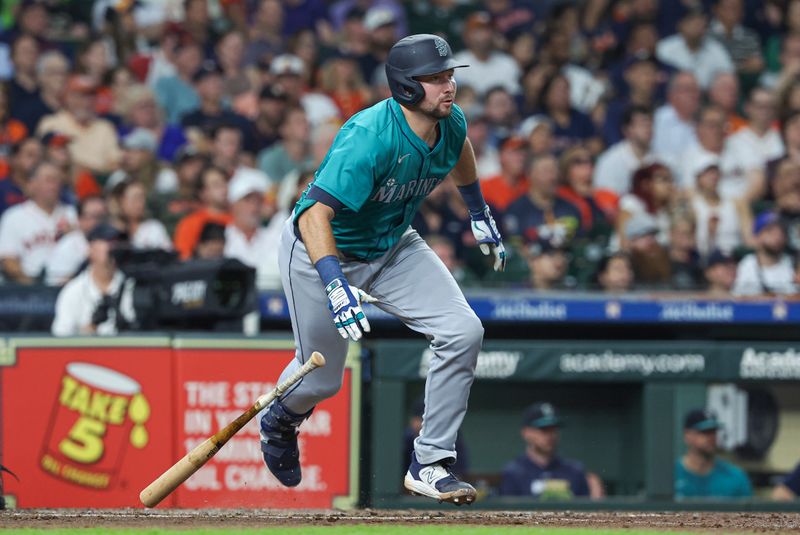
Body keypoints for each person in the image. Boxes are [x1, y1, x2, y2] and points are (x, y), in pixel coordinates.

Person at [258, 34, 506, 506]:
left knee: (463, 330)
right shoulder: (369, 136)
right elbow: (313, 216)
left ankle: (430, 463)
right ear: (407, 87)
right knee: (322, 379)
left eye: (449, 75)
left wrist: (477, 211)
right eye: (435, 79)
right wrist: (334, 285)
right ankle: (280, 420)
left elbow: (461, 151)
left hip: (392, 246)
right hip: (321, 253)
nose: (448, 86)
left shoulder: (450, 121)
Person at [500, 402, 603, 499]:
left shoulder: (575, 470)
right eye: (543, 429)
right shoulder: (513, 472)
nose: (550, 435)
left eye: (554, 429)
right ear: (526, 433)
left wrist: (595, 499)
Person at [0, 161, 76, 284]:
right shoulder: (14, 216)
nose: (54, 185)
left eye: (57, 180)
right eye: (49, 180)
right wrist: (34, 287)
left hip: (69, 286)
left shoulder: (73, 214)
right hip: (28, 289)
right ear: (32, 184)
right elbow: (8, 260)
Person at [51, 224, 133, 336]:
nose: (114, 247)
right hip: (86, 353)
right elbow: (59, 337)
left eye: (118, 242)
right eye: (108, 241)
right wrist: (88, 332)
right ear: (90, 249)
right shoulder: (74, 290)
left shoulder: (132, 286)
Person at [675, 409, 752, 499]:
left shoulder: (735, 478)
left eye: (713, 432)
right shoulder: (671, 475)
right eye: (704, 432)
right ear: (687, 435)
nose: (711, 437)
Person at [44, 195, 107, 286]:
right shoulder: (68, 246)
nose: (99, 222)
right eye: (94, 216)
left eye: (103, 217)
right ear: (80, 219)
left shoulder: (113, 240)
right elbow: (55, 284)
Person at [732, 211, 797, 296]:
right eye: (770, 232)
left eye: (781, 232)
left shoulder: (793, 265)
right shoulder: (747, 264)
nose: (777, 237)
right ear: (757, 236)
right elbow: (739, 300)